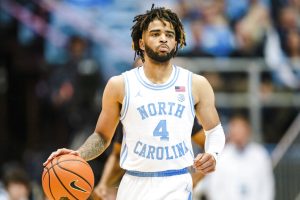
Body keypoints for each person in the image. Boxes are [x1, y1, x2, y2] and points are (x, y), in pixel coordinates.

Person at [44, 5, 225, 200]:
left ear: (176, 42)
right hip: (134, 184)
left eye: (169, 34)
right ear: (141, 43)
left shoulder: (196, 84)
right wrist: (78, 155)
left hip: (176, 183)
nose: (163, 38)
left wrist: (213, 153)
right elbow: (102, 137)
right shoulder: (119, 85)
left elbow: (214, 131)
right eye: (155, 33)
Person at [93, 119, 206, 200]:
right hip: (137, 186)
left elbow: (210, 147)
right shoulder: (129, 112)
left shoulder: (182, 110)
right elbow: (117, 155)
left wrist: (195, 179)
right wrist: (104, 184)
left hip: (173, 185)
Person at [195, 114, 275, 200]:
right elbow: (214, 187)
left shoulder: (260, 154)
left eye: (241, 130)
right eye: (236, 131)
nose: (239, 135)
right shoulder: (221, 156)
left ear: (248, 131)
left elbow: (267, 186)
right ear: (231, 133)